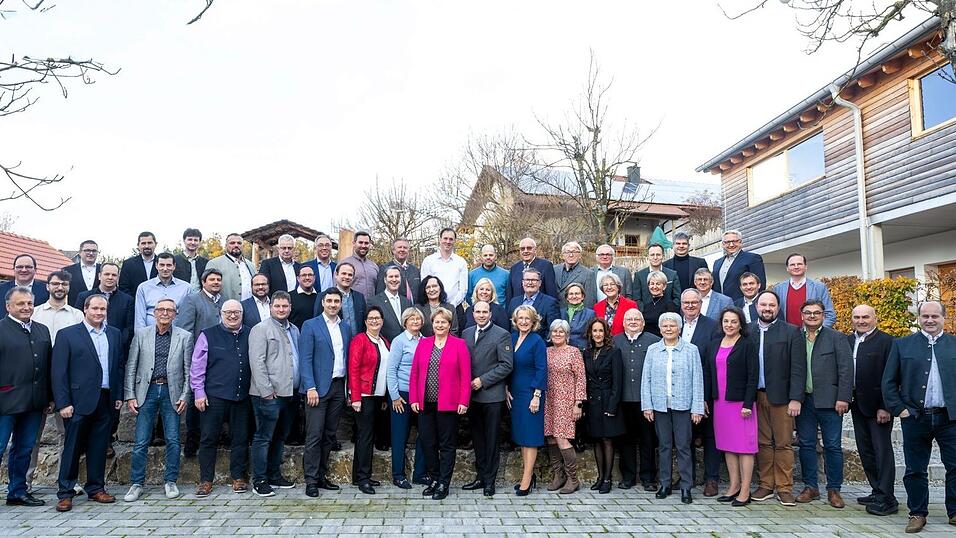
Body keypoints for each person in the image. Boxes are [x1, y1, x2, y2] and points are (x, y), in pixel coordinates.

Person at [881, 301, 956, 533]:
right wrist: (900, 409)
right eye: (925, 316)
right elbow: (888, 382)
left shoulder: (954, 344)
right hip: (915, 417)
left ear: (944, 318)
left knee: (955, 466)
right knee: (915, 468)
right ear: (919, 318)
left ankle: (954, 512)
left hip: (950, 418)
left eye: (935, 316)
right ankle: (917, 513)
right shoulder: (902, 345)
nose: (930, 320)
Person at [51, 294, 124, 512]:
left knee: (99, 447)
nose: (99, 313)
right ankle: (65, 492)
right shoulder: (67, 335)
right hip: (77, 401)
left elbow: (118, 367)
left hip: (105, 399)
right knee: (72, 448)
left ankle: (95, 488)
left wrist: (118, 395)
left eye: (103, 309)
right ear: (85, 309)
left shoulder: (114, 334)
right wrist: (63, 403)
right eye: (95, 309)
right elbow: (58, 372)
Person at [123, 298, 194, 502]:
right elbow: (131, 366)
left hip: (172, 392)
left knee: (173, 439)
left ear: (175, 314)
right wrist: (130, 395)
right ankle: (137, 483)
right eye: (161, 309)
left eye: (169, 310)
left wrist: (185, 395)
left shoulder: (185, 337)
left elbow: (188, 370)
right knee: (141, 441)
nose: (165, 313)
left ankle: (170, 481)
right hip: (147, 391)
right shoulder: (141, 334)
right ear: (154, 312)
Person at [189, 300, 252, 498]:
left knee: (241, 438)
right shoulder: (207, 334)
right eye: (228, 312)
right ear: (221, 313)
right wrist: (198, 392)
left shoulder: (251, 333)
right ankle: (205, 480)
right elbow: (197, 366)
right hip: (214, 396)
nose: (232, 316)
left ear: (242, 314)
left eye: (236, 312)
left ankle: (238, 477)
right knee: (208, 438)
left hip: (242, 396)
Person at [749, 290, 806, 507]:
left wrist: (796, 398)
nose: (767, 308)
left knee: (783, 444)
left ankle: (784, 487)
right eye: (763, 304)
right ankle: (766, 485)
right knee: (763, 443)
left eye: (771, 305)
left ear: (778, 308)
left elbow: (799, 368)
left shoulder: (791, 332)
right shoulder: (749, 331)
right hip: (756, 396)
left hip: (782, 398)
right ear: (757, 307)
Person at [641, 312, 705, 504]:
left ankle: (686, 486)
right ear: (660, 329)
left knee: (684, 446)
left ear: (679, 328)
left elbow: (697, 379)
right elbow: (646, 379)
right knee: (664, 446)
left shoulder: (691, 350)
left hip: (683, 405)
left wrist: (697, 408)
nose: (669, 329)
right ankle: (665, 484)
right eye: (665, 326)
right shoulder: (653, 350)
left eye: (672, 326)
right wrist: (647, 406)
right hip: (660, 405)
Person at [795, 299, 853, 508]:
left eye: (816, 313)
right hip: (804, 401)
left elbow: (846, 369)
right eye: (808, 313)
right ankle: (811, 487)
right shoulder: (796, 337)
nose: (812, 316)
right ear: (802, 315)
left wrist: (844, 397)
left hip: (831, 402)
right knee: (806, 444)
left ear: (823, 315)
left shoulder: (836, 337)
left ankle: (834, 489)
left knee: (832, 446)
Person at [409, 307, 471, 500]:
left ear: (449, 324)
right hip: (425, 403)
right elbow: (415, 373)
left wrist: (464, 400)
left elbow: (465, 375)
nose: (440, 325)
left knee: (446, 445)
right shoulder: (424, 343)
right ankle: (434, 478)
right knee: (428, 442)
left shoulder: (459, 344)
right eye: (437, 322)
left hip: (449, 404)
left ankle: (444, 482)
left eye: (443, 322)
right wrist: (413, 398)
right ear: (432, 323)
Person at [75, 262, 135, 460]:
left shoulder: (126, 299)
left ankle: (107, 439)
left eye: (114, 275)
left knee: (112, 400)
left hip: (114, 352)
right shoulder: (85, 296)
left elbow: (128, 327)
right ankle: (84, 441)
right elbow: (77, 324)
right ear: (99, 275)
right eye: (107, 274)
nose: (110, 277)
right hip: (88, 352)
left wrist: (117, 344)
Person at [0, 287, 52, 508]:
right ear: (8, 306)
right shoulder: (1, 329)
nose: (26, 307)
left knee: (24, 448)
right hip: (5, 401)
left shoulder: (42, 330)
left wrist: (49, 397)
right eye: (20, 303)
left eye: (29, 303)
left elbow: (48, 367)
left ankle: (17, 492)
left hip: (34, 402)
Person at [702, 306, 759, 507]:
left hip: (740, 404)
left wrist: (748, 403)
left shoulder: (747, 344)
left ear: (740, 324)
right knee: (728, 446)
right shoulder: (714, 344)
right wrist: (706, 399)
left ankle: (745, 490)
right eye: (726, 321)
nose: (729, 325)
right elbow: (708, 374)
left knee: (744, 448)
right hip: (720, 403)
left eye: (734, 321)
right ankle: (734, 486)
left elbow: (753, 376)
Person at [299, 289, 351, 497]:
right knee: (314, 435)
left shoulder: (345, 328)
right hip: (317, 389)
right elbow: (305, 359)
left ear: (340, 304)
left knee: (330, 435)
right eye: (328, 301)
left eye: (336, 301)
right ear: (322, 303)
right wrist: (310, 387)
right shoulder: (311, 325)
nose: (332, 304)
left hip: (338, 387)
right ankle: (310, 480)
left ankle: (321, 475)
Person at [247, 291, 299, 497]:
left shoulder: (294, 329)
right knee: (263, 437)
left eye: (285, 306)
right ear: (271, 307)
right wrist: (267, 391)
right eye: (277, 306)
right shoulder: (261, 329)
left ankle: (274, 475)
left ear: (290, 308)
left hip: (289, 393)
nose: (281, 309)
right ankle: (259, 480)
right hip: (268, 394)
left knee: (279, 436)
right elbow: (257, 362)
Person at [847, 304, 897, 516]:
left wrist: (885, 406)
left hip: (878, 407)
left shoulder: (887, 342)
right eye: (857, 317)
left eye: (865, 317)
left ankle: (888, 498)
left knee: (882, 451)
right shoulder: (848, 340)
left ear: (875, 318)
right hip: (857, 404)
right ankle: (877, 490)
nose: (861, 321)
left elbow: (892, 376)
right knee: (865, 450)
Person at [462, 301, 514, 497]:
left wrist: (482, 381)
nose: (481, 315)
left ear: (491, 313)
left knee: (492, 440)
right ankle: (480, 476)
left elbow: (506, 365)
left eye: (485, 311)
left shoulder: (502, 334)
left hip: (491, 396)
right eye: (478, 311)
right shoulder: (466, 333)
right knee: (477, 439)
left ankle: (490, 482)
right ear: (473, 313)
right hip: (472, 397)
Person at [613, 308, 661, 491]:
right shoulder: (615, 341)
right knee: (626, 440)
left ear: (642, 322)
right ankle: (628, 477)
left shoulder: (654, 341)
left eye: (636, 319)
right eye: (629, 319)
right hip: (623, 400)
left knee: (648, 440)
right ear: (623, 323)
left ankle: (648, 478)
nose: (632, 322)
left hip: (646, 401)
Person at [679, 288, 721, 495]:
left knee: (709, 436)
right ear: (681, 304)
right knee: (685, 436)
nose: (690, 306)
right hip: (678, 392)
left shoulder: (713, 327)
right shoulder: (674, 325)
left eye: (694, 303)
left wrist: (704, 396)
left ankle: (711, 479)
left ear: (700, 304)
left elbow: (713, 364)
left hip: (704, 391)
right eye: (686, 303)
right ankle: (688, 476)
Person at [348, 306, 391, 494]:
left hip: (377, 396)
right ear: (365, 321)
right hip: (363, 396)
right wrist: (355, 397)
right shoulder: (360, 340)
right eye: (370, 318)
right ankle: (363, 478)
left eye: (378, 318)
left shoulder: (384, 341)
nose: (374, 321)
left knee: (368, 436)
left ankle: (360, 475)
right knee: (365, 437)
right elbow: (353, 369)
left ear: (382, 321)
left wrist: (384, 396)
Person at [507, 305, 548, 496]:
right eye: (520, 318)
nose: (523, 321)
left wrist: (537, 396)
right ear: (515, 321)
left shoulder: (537, 341)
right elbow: (507, 365)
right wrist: (506, 388)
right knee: (523, 436)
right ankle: (528, 476)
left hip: (531, 394)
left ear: (533, 321)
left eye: (527, 318)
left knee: (531, 437)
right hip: (515, 392)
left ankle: (527, 479)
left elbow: (542, 369)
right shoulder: (513, 338)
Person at [386, 307, 428, 489]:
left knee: (424, 435)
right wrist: (394, 396)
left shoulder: (427, 341)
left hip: (422, 395)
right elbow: (391, 370)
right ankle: (398, 475)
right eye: (411, 319)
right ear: (405, 322)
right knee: (399, 436)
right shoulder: (399, 341)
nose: (415, 322)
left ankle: (420, 473)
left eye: (418, 319)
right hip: (402, 394)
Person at [582, 317, 625, 494]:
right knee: (596, 439)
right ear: (590, 334)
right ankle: (599, 477)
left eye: (601, 331)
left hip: (608, 400)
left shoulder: (613, 352)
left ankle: (608, 478)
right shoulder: (586, 352)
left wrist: (612, 406)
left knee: (607, 439)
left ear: (606, 332)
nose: (597, 334)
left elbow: (618, 382)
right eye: (595, 331)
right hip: (592, 402)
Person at [543, 319, 585, 495]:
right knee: (551, 437)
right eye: (554, 331)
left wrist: (578, 403)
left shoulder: (573, 352)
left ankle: (573, 479)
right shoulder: (546, 351)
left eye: (561, 332)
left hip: (566, 400)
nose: (557, 334)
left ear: (567, 335)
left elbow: (581, 378)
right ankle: (558, 475)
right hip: (548, 399)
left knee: (562, 438)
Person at [772, 254, 837, 328]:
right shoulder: (778, 289)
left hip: (812, 336)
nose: (796, 267)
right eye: (792, 265)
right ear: (787, 268)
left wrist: (816, 332)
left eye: (799, 264)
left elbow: (830, 315)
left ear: (806, 267)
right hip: (786, 336)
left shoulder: (819, 287)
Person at [134, 252, 191, 328]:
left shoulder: (186, 288)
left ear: (174, 266)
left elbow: (188, 317)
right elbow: (139, 318)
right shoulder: (143, 288)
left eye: (169, 265)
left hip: (177, 335)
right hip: (150, 334)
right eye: (162, 265)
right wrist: (142, 337)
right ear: (156, 266)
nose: (165, 269)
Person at [419, 227, 469, 309]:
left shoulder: (461, 262)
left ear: (455, 241)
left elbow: (463, 289)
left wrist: (452, 305)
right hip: (433, 307)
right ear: (440, 240)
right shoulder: (428, 261)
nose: (448, 242)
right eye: (445, 238)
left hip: (455, 307)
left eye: (451, 239)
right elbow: (425, 286)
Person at [711, 230, 766, 302]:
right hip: (720, 305)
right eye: (727, 242)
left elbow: (760, 285)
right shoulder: (717, 263)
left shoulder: (753, 258)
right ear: (723, 244)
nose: (731, 245)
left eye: (734, 241)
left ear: (740, 242)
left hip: (742, 305)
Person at [507, 268, 559, 340]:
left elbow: (553, 330)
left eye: (534, 280)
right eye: (527, 280)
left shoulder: (550, 303)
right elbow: (510, 327)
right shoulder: (514, 302)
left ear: (540, 283)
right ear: (522, 282)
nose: (530, 283)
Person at [316, 262, 367, 337]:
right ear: (336, 275)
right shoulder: (323, 296)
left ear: (353, 278)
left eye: (350, 275)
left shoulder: (359, 297)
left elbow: (364, 322)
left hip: (357, 342)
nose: (347, 277)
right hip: (334, 342)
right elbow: (318, 323)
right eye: (343, 273)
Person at [31, 271, 84, 341]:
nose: (60, 288)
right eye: (55, 284)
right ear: (47, 286)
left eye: (64, 284)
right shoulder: (34, 313)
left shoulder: (77, 315)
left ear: (69, 287)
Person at [205, 233, 256, 302]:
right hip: (225, 310)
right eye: (232, 243)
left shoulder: (250, 265)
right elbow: (208, 291)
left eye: (239, 243)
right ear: (226, 246)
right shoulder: (214, 263)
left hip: (249, 309)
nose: (236, 245)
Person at [368, 266, 412, 341]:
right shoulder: (374, 302)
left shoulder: (407, 302)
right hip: (385, 346)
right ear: (385, 280)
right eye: (391, 277)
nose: (394, 279)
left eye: (397, 276)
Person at [507, 237, 558, 303]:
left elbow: (551, 292)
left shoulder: (546, 266)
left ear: (535, 250)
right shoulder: (514, 268)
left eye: (529, 248)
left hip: (539, 310)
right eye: (522, 249)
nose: (525, 251)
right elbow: (510, 294)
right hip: (518, 310)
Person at [175, 269, 223, 336]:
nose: (216, 282)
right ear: (203, 282)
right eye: (212, 280)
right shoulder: (191, 300)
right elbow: (185, 331)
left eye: (219, 280)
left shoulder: (225, 301)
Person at [633, 244, 681, 310]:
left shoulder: (672, 275)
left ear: (663, 256)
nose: (655, 257)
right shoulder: (639, 275)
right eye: (652, 255)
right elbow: (636, 298)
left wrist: (669, 310)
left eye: (658, 255)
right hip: (646, 316)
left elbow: (677, 298)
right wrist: (645, 311)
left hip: (667, 316)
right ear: (648, 257)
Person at [118, 232, 158, 296]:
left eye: (149, 243)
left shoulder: (163, 264)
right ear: (138, 245)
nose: (146, 246)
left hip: (159, 304)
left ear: (155, 244)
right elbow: (124, 287)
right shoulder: (128, 264)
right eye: (143, 243)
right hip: (134, 303)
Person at [641, 271, 680, 337]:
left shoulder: (670, 305)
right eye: (652, 284)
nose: (654, 286)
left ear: (664, 286)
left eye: (658, 284)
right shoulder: (647, 306)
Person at [62, 239, 100, 306]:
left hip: (98, 312)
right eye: (87, 250)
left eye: (94, 251)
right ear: (80, 252)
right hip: (75, 311)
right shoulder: (67, 271)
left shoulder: (103, 270)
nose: (91, 253)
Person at [340, 231, 378, 299]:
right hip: (351, 307)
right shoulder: (344, 264)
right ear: (354, 243)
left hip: (372, 307)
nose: (363, 246)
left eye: (366, 243)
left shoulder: (374, 266)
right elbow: (337, 288)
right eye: (360, 242)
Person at [553, 241, 592, 306]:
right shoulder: (554, 269)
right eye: (567, 252)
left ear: (580, 255)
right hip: (554, 311)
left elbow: (589, 301)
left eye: (574, 252)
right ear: (563, 255)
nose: (571, 255)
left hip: (575, 313)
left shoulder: (588, 274)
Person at [560, 283, 595, 351]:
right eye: (571, 294)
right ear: (567, 297)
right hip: (562, 350)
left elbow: (591, 336)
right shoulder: (560, 312)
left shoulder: (591, 314)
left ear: (582, 296)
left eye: (577, 293)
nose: (574, 296)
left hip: (582, 351)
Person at [172, 228, 208, 293]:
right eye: (190, 239)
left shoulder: (205, 262)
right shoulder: (174, 260)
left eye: (196, 240)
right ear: (184, 240)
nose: (193, 242)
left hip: (199, 298)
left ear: (199, 242)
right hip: (180, 298)